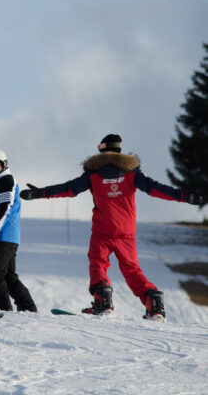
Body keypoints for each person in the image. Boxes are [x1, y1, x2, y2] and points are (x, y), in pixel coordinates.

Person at [20, 134, 203, 321]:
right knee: (132, 270)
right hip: (126, 231)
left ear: (101, 150)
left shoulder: (93, 174)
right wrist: (184, 196)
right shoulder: (132, 172)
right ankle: (154, 301)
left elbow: (69, 188)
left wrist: (39, 193)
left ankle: (103, 301)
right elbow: (155, 188)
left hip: (103, 230)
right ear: (119, 150)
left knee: (98, 263)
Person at [0, 149, 37, 312]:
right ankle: (28, 309)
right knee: (8, 278)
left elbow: (5, 208)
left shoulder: (6, 180)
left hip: (4, 236)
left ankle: (5, 312)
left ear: (3, 164)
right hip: (2, 236)